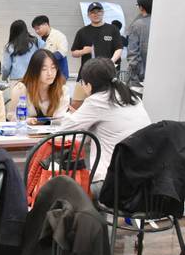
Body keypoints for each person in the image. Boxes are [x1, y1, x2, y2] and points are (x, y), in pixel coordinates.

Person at [59, 57, 150, 198]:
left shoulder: (97, 100)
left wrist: (68, 114)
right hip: (144, 181)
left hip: (112, 184)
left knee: (69, 192)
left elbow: (65, 129)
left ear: (89, 85)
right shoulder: (133, 97)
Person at [70, 2, 123, 109]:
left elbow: (119, 48)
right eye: (93, 12)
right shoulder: (82, 32)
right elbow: (73, 52)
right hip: (85, 74)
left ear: (103, 12)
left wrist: (111, 61)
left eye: (99, 11)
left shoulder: (112, 29)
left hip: (107, 74)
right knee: (76, 103)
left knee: (107, 105)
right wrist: (83, 51)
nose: (96, 14)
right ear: (88, 15)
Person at [7, 49, 69, 122]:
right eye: (44, 69)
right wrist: (27, 121)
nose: (50, 73)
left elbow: (60, 119)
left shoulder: (62, 90)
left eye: (53, 68)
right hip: (25, 128)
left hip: (53, 129)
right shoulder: (21, 89)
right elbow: (11, 116)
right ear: (34, 71)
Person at [127, 0, 153, 84]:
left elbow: (133, 55)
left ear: (141, 7)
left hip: (141, 78)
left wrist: (136, 77)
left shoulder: (137, 25)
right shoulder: (165, 23)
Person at [31, 15, 69, 79]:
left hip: (60, 73)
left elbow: (62, 52)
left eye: (38, 28)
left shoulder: (59, 35)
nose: (36, 31)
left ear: (46, 24)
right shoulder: (39, 39)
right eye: (35, 29)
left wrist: (47, 58)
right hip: (45, 74)